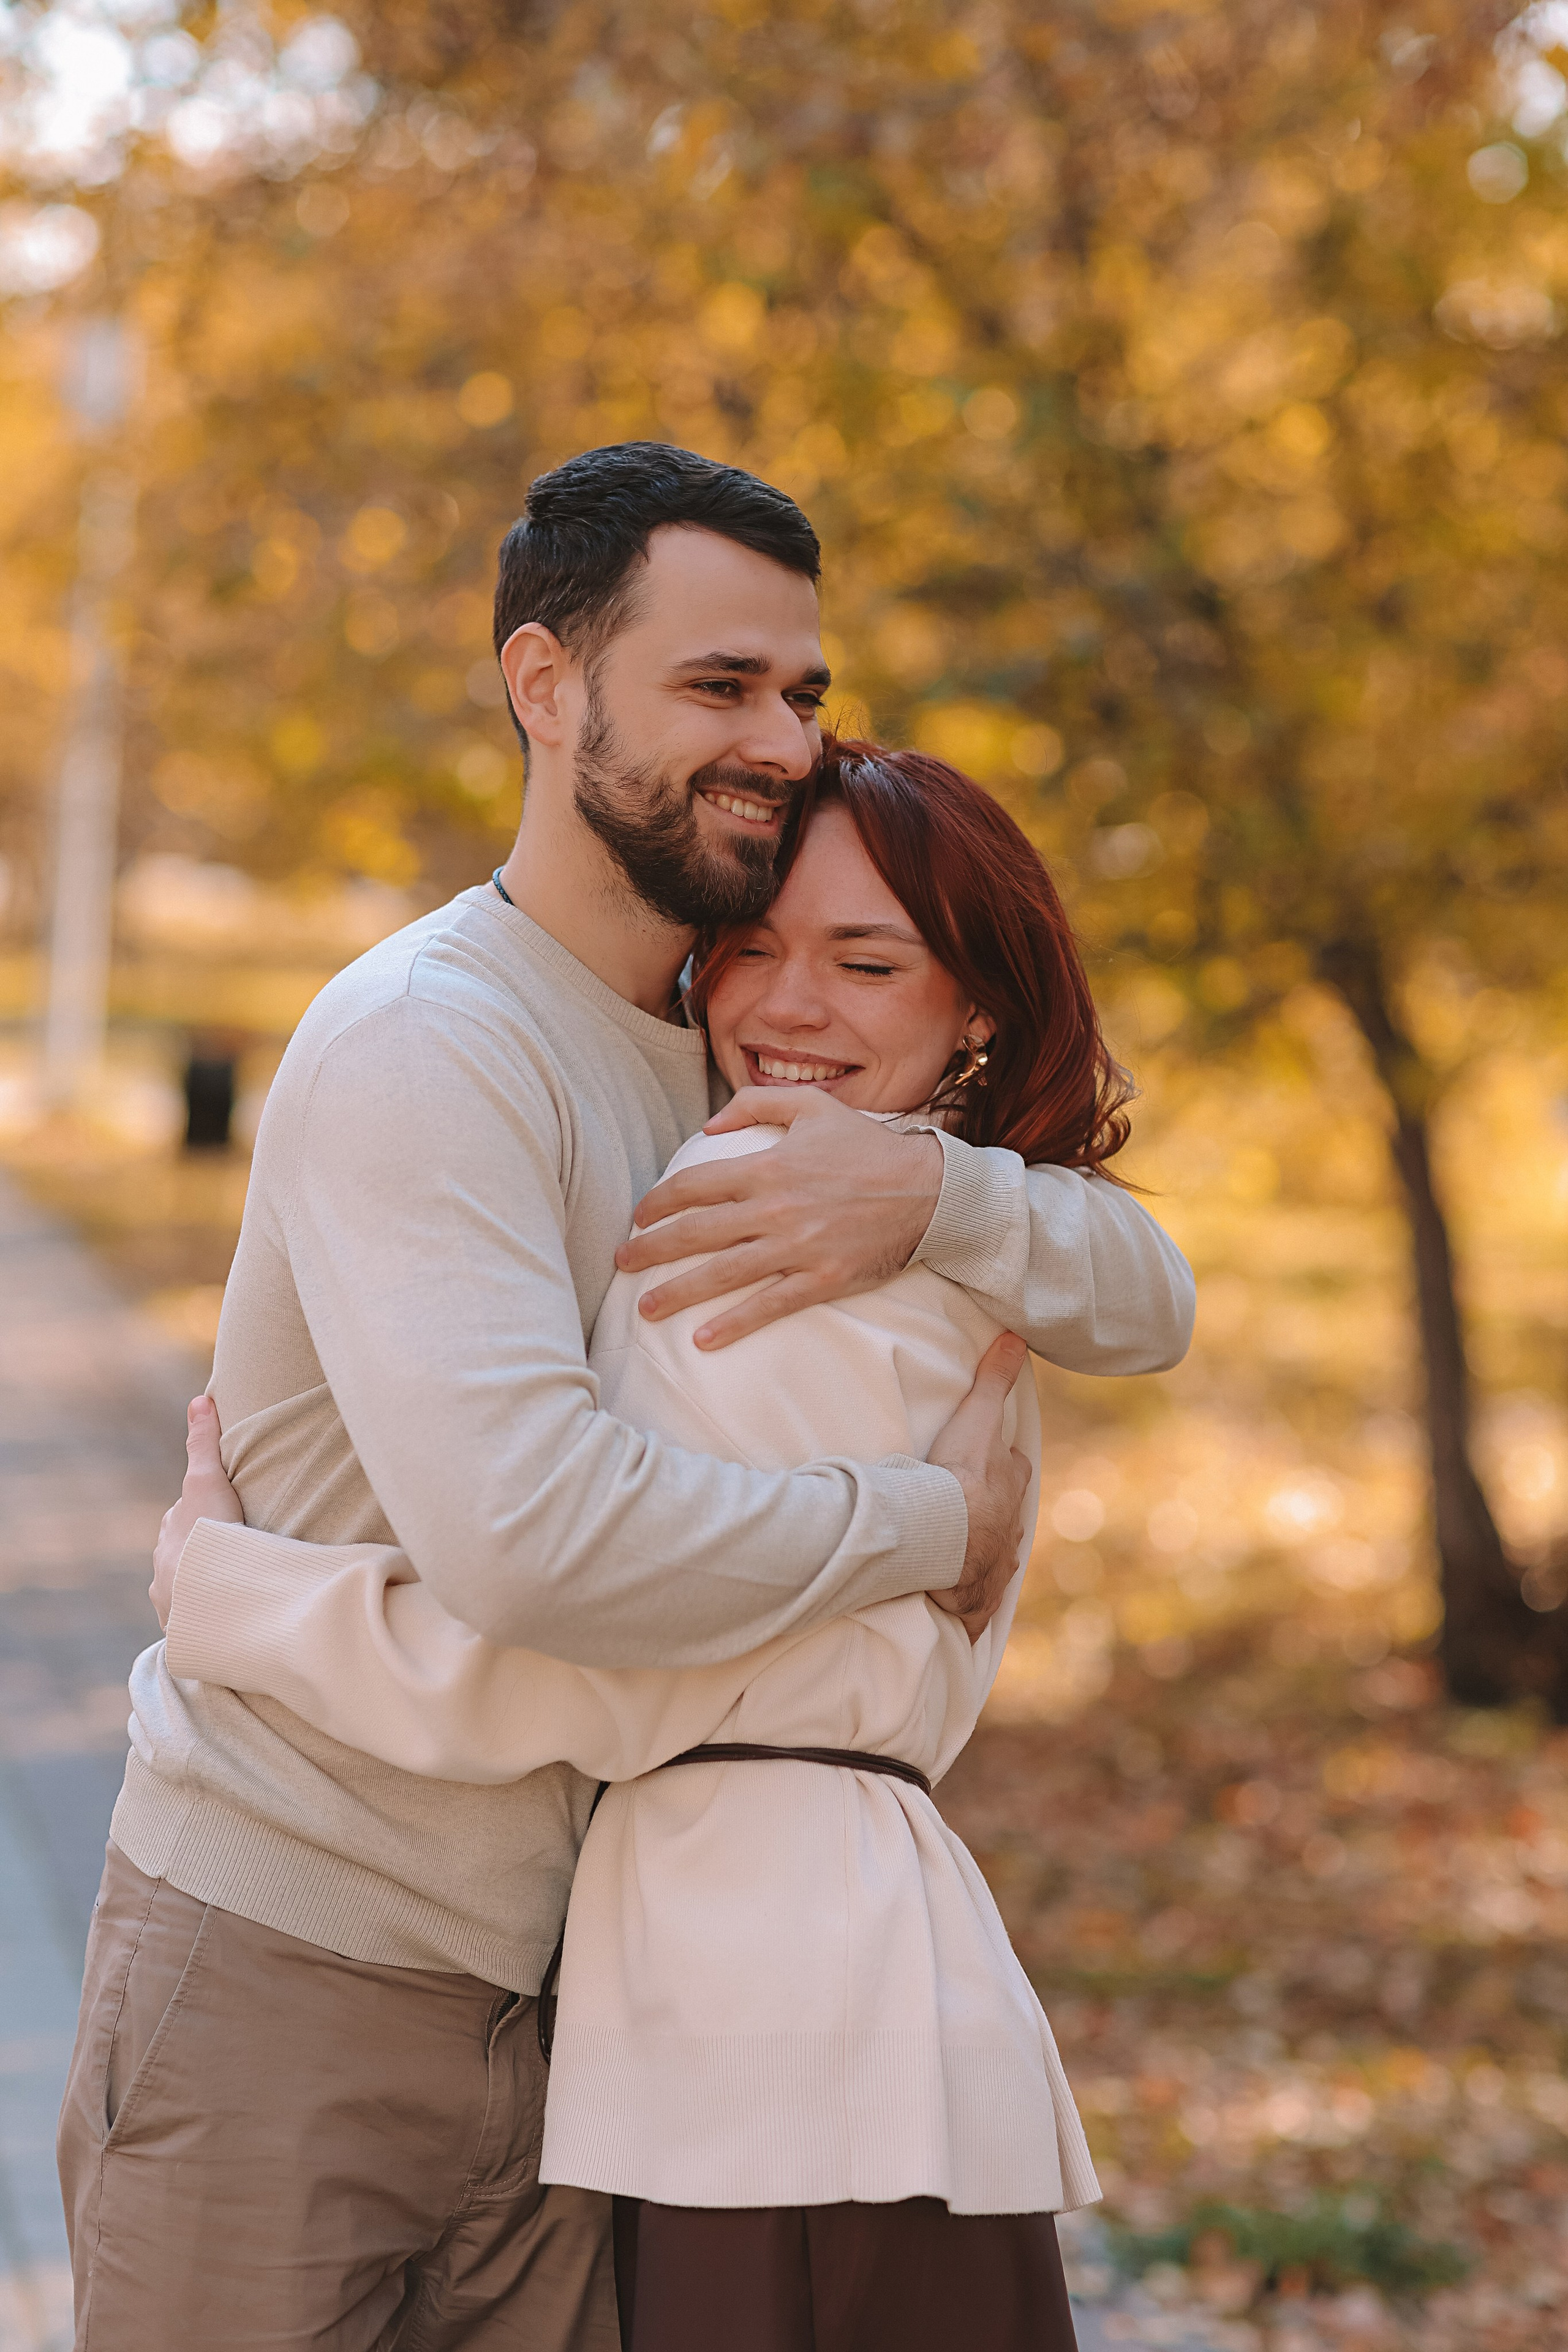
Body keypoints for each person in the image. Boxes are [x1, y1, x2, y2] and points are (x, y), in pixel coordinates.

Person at [61, 444, 1193, 2352]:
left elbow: (1144, 1289)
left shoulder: (743, 1087)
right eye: (718, 684)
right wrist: (937, 1527)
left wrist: (942, 1187)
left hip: (588, 2016)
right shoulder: (439, 1040)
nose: (777, 736)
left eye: (799, 691)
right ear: (546, 686)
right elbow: (546, 1549)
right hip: (302, 1960)